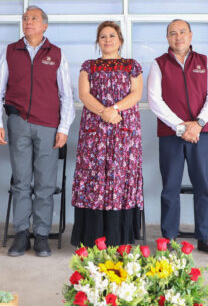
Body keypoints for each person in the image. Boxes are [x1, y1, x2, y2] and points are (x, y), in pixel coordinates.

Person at [0, 5, 75, 257]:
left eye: (34, 18)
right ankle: (21, 234)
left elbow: (66, 94)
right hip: (19, 123)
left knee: (45, 183)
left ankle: (42, 235)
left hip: (48, 125)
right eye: (25, 18)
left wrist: (64, 127)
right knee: (21, 182)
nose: (29, 22)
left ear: (45, 25)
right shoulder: (10, 51)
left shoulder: (56, 54)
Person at [148, 19, 208, 257]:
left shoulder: (205, 61)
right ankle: (169, 239)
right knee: (170, 187)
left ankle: (205, 237)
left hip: (201, 132)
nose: (178, 36)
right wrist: (181, 127)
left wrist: (198, 123)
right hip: (171, 134)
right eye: (172, 33)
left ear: (191, 35)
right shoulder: (159, 64)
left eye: (182, 32)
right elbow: (155, 100)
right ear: (167, 38)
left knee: (202, 186)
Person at [70, 21, 143, 247]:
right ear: (98, 41)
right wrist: (104, 112)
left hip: (124, 131)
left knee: (120, 176)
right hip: (95, 131)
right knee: (94, 177)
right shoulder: (88, 66)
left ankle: (119, 236)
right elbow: (84, 94)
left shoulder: (132, 65)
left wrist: (115, 109)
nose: (108, 40)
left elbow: (136, 93)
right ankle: (93, 236)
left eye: (112, 35)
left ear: (120, 40)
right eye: (103, 36)